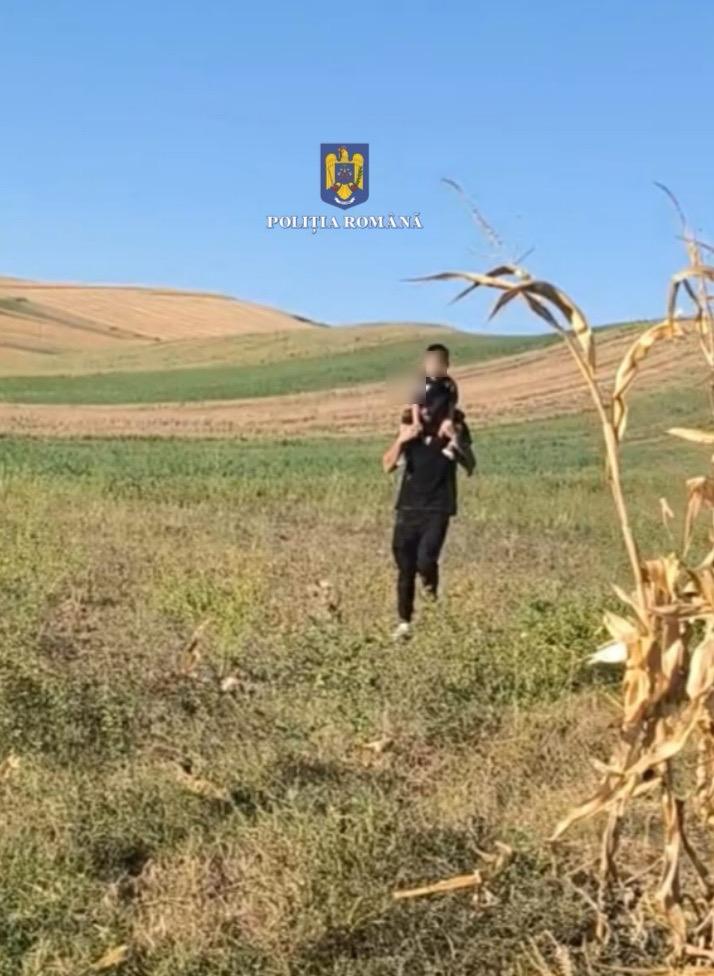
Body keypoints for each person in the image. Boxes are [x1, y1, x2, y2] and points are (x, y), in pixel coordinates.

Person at [382, 405, 475, 640]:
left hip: (438, 507)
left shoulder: (455, 424)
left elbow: (470, 465)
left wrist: (455, 440)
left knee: (426, 561)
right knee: (405, 567)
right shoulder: (409, 424)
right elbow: (387, 465)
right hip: (408, 507)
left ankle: (432, 608)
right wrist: (402, 440)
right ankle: (404, 623)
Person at [408, 343, 464, 460]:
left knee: (458, 426)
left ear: (446, 365)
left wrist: (449, 419)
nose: (434, 367)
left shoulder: (449, 384)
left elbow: (451, 404)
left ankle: (452, 447)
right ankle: (402, 455)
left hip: (441, 420)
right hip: (424, 419)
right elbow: (415, 404)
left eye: (438, 364)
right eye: (430, 364)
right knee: (407, 426)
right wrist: (416, 421)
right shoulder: (421, 382)